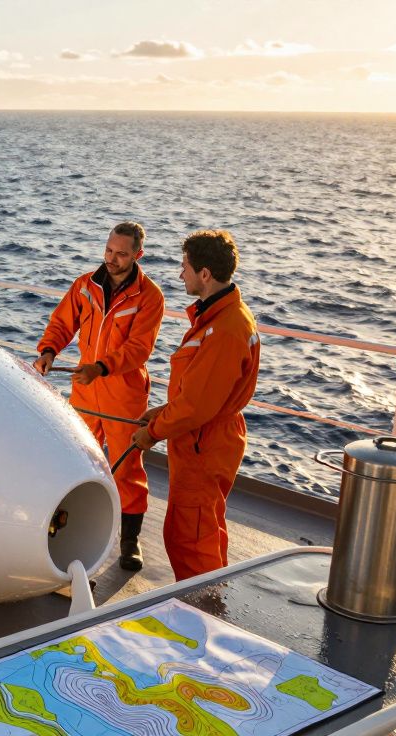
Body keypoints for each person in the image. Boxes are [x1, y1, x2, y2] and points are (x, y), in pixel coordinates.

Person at [33, 222, 165, 571]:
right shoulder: (84, 286)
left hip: (124, 392)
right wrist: (49, 350)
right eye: (109, 250)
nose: (112, 259)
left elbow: (139, 348)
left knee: (127, 469)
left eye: (121, 254)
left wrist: (102, 367)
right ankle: (68, 530)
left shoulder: (150, 297)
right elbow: (62, 323)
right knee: (76, 460)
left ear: (138, 255)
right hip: (86, 388)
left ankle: (130, 542)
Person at [131, 229, 260, 581]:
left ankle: (202, 616)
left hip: (204, 443)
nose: (179, 273)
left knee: (191, 540)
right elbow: (200, 395)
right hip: (205, 437)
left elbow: (196, 408)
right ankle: (206, 601)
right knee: (202, 528)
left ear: (205, 274)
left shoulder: (224, 331)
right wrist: (161, 413)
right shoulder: (220, 318)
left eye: (185, 265)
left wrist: (152, 433)